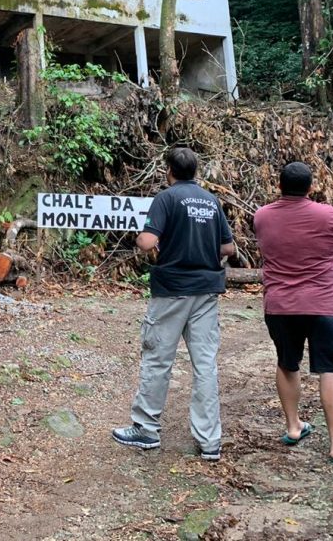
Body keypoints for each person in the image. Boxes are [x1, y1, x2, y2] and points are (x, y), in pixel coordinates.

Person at [112, 147, 235, 462]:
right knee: (205, 365)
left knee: (158, 359)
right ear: (195, 171)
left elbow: (147, 242)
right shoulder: (210, 200)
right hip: (206, 292)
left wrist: (143, 238)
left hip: (172, 291)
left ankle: (146, 428)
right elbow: (228, 248)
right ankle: (210, 441)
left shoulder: (166, 198)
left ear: (169, 171)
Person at [254, 162, 333, 463]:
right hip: (324, 303)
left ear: (279, 185)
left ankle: (293, 426)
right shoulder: (330, 215)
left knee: (287, 363)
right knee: (332, 368)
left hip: (280, 304)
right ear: (311, 187)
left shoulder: (262, 216)